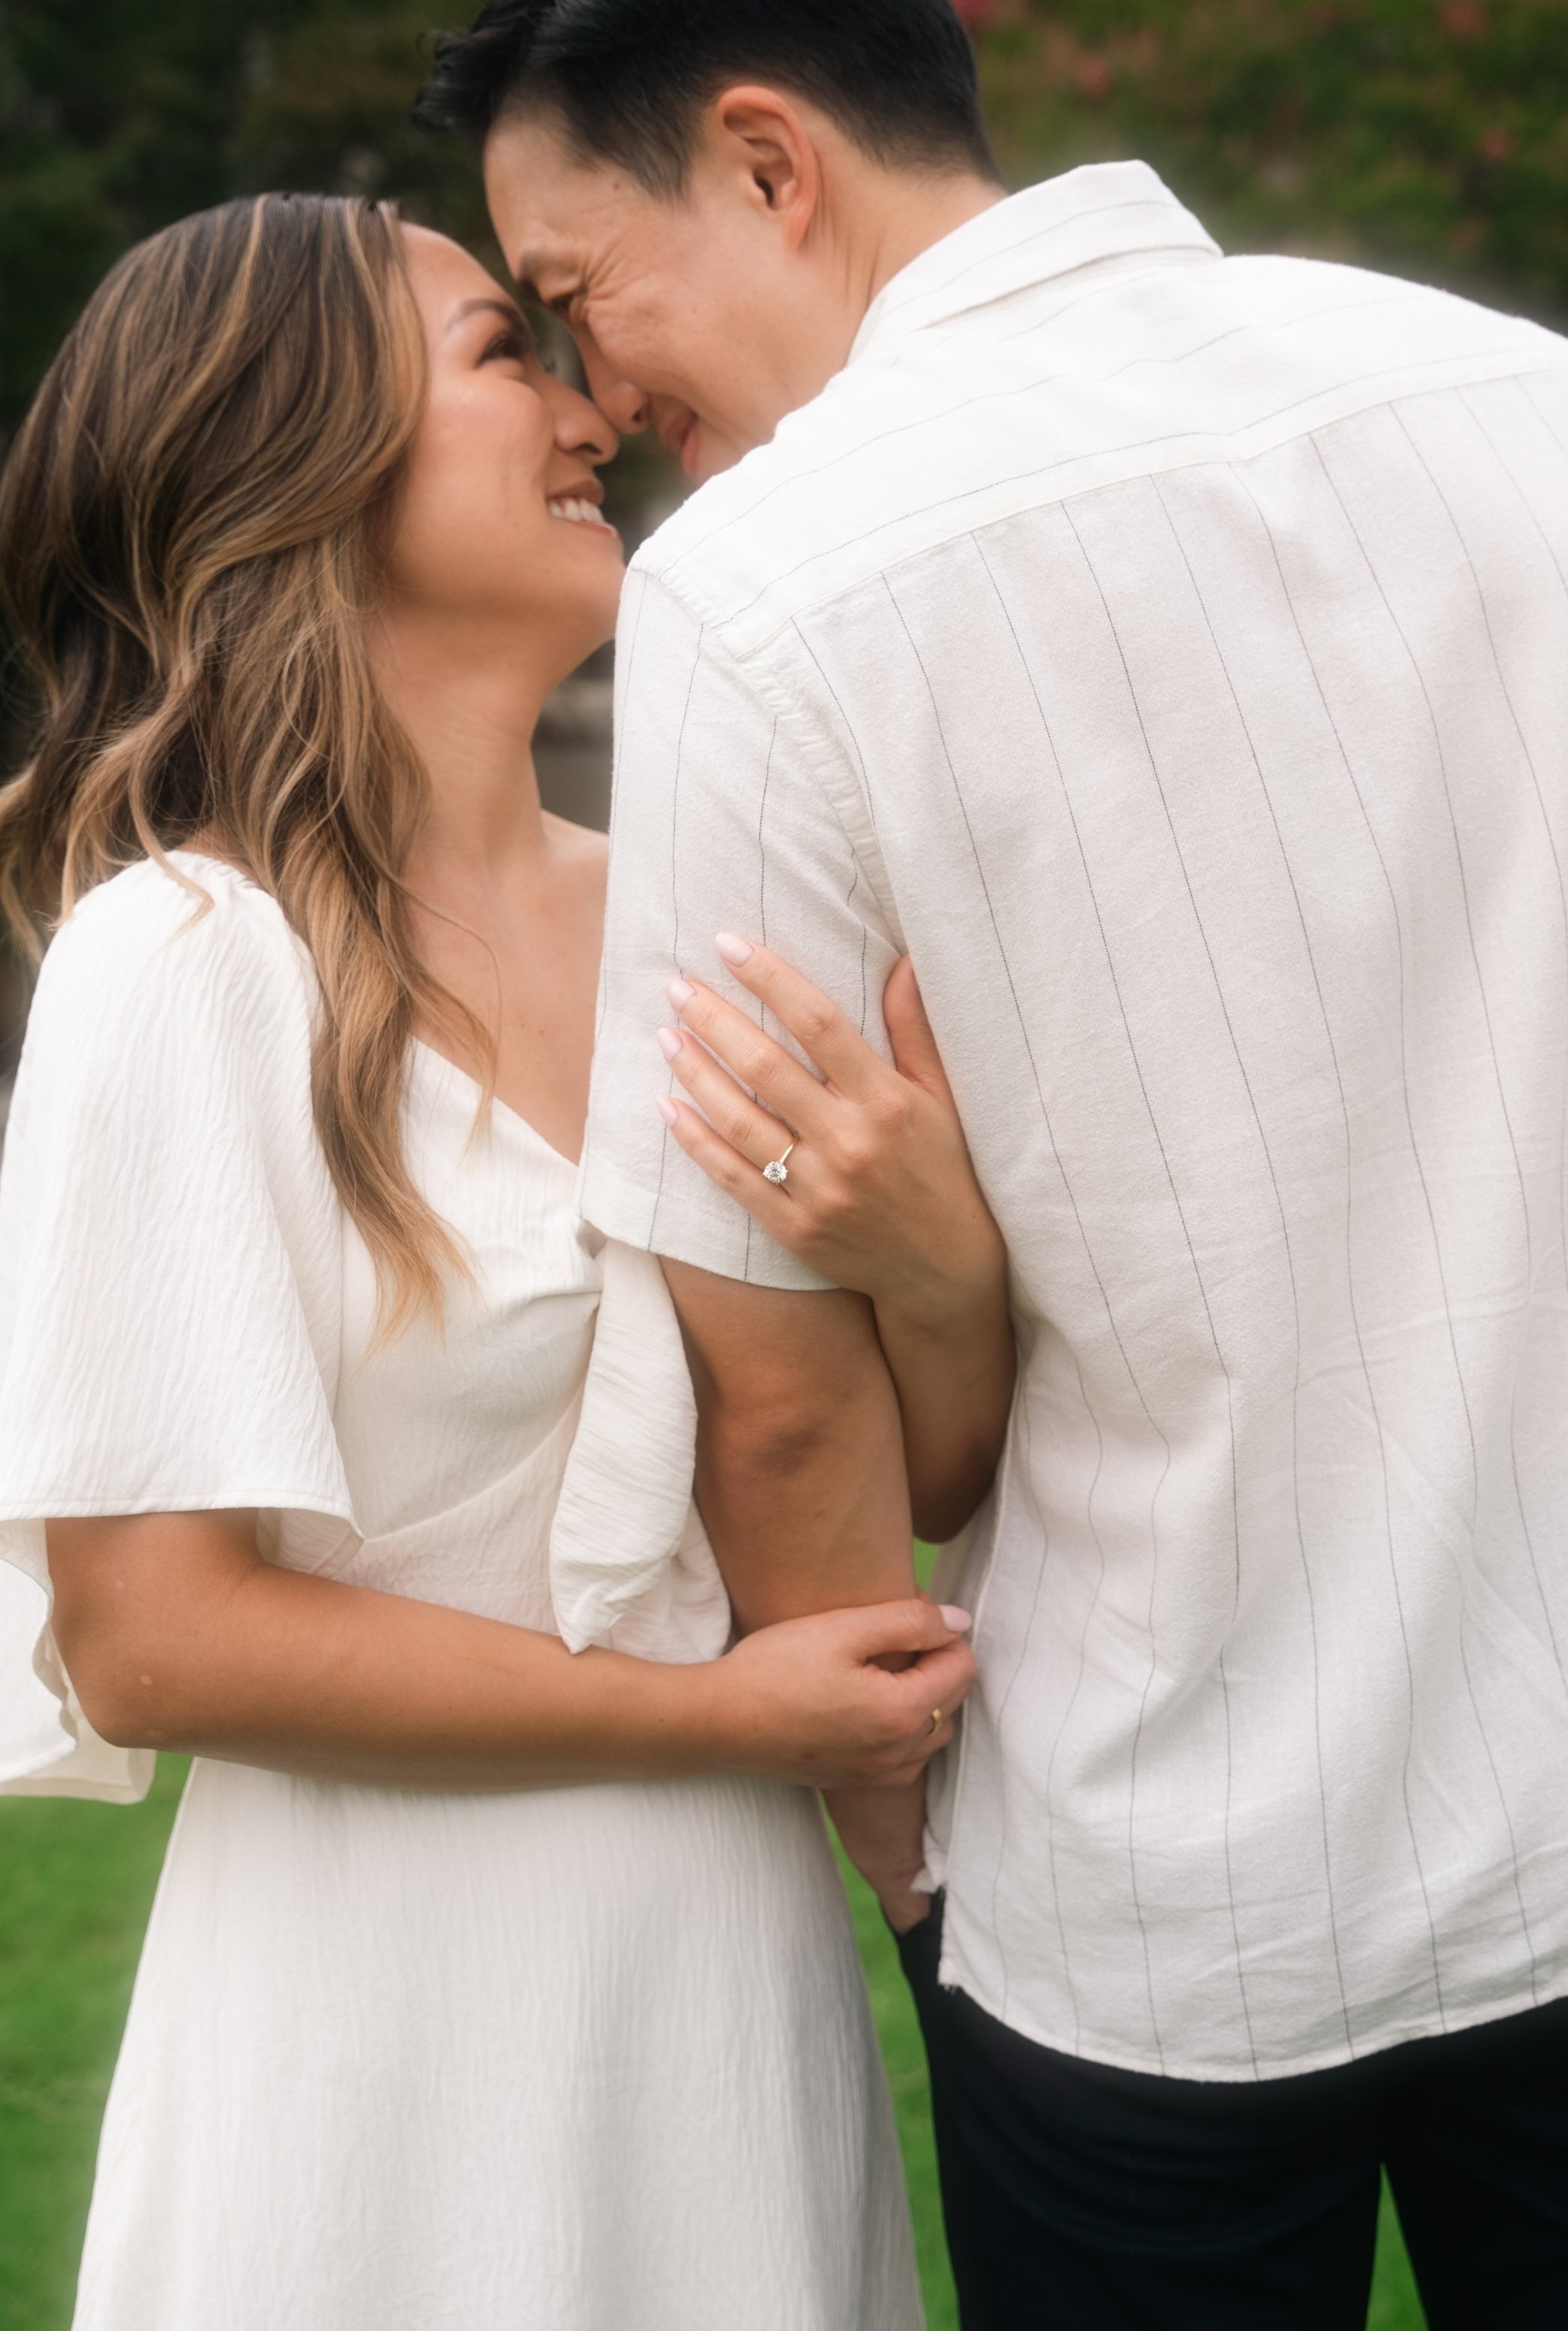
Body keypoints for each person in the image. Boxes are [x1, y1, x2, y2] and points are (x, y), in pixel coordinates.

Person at [419, 0, 1568, 2322]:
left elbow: (777, 1389)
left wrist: (907, 1862)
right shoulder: (1551, 407)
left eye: (578, 300)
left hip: (1149, 1905)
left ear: (771, 163)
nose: (593, 405)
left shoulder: (764, 587)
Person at [0, 189, 1010, 2330]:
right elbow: (152, 1635)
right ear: (298, 461)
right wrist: (716, 1714)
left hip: (724, 1991)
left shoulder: (706, 918)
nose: (591, 406)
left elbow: (893, 1477)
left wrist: (931, 1267)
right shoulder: (181, 961)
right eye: (498, 350)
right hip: (376, 2023)